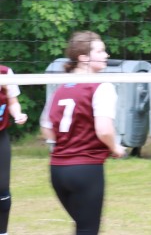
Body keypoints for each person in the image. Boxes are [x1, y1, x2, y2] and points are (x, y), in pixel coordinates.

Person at [39, 31, 127, 235]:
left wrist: (70, 138)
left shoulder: (60, 88)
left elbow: (47, 130)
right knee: (88, 229)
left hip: (57, 171)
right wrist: (115, 147)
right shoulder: (101, 86)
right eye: (100, 51)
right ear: (83, 57)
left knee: (83, 227)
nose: (106, 55)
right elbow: (104, 130)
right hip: (85, 169)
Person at [0, 64, 28, 235]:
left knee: (2, 187)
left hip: (1, 135)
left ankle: (3, 232)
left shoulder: (5, 72)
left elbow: (13, 102)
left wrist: (18, 114)